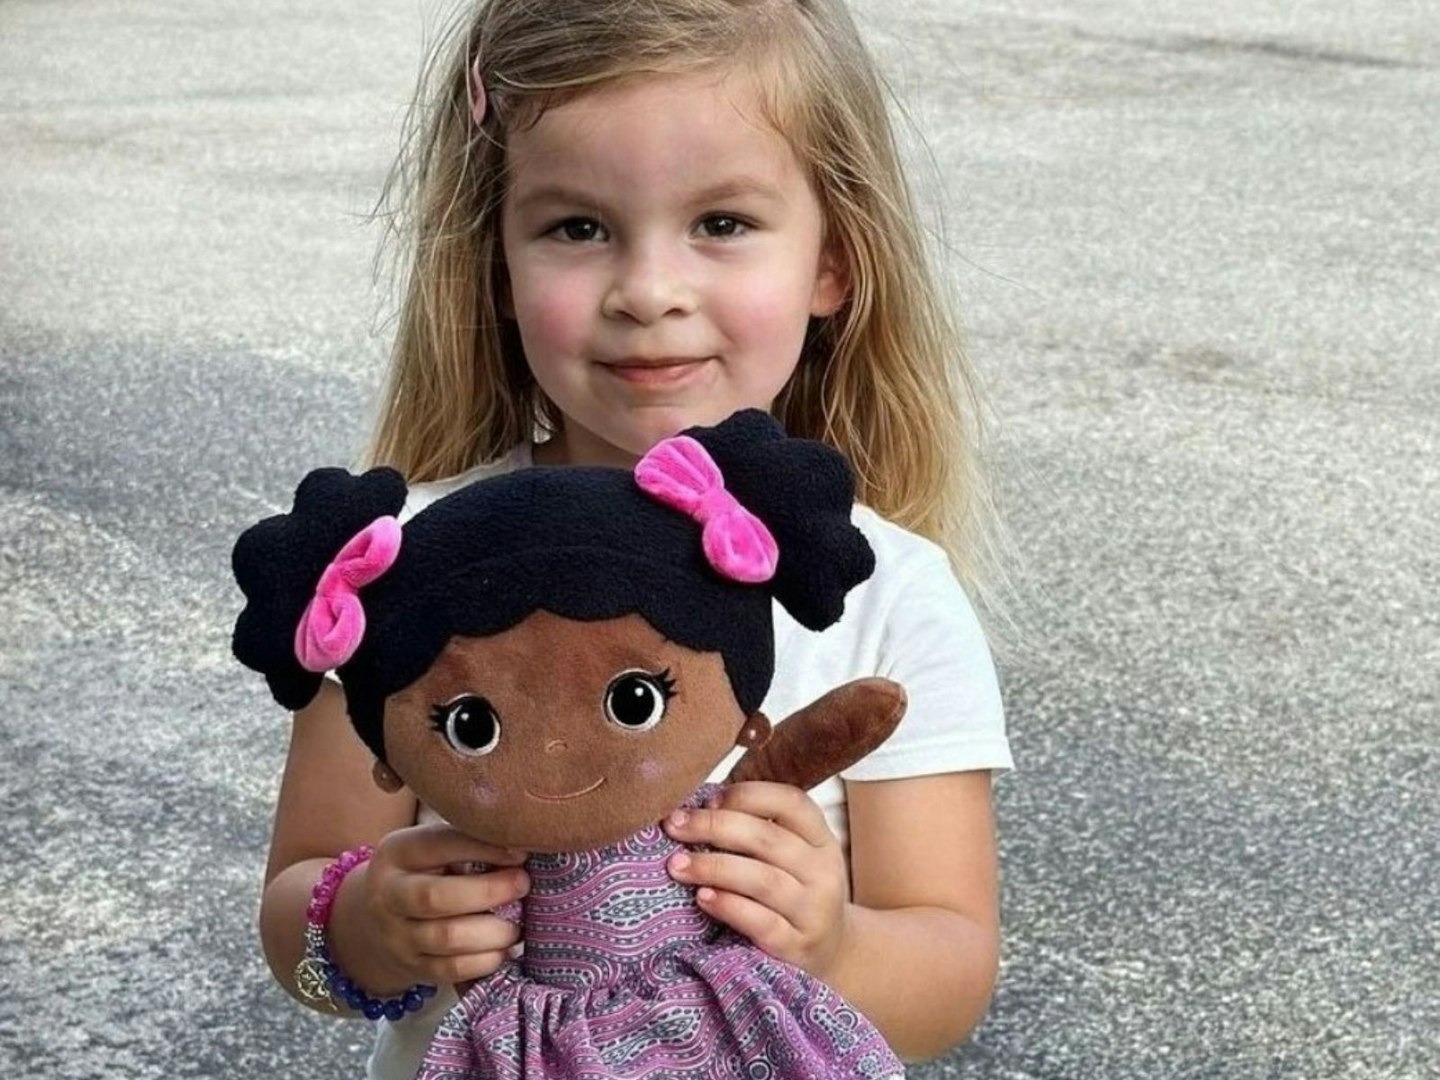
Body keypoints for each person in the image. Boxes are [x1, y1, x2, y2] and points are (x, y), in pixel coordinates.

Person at [256, 0, 1013, 1076]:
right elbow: (296, 915)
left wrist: (833, 941)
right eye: (577, 227)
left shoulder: (890, 594)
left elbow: (950, 968)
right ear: (495, 267)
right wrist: (371, 925)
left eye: (722, 224)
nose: (650, 293)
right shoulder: (397, 567)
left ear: (833, 262)